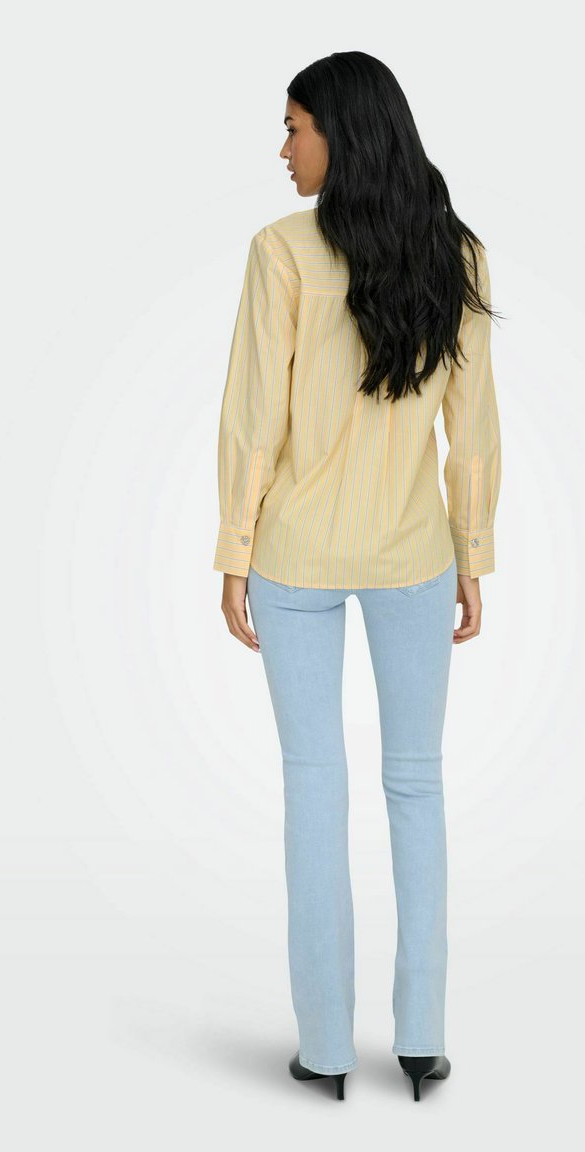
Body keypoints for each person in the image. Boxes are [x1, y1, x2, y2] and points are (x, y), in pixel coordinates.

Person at [213, 51, 502, 1102]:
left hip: (294, 555)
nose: (283, 148)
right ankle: (420, 1039)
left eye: (295, 127)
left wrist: (234, 550)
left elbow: (254, 419)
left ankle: (327, 1048)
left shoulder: (282, 252)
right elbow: (472, 429)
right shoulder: (454, 252)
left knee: (314, 786)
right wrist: (471, 552)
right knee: (416, 784)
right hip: (413, 554)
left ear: (342, 133)